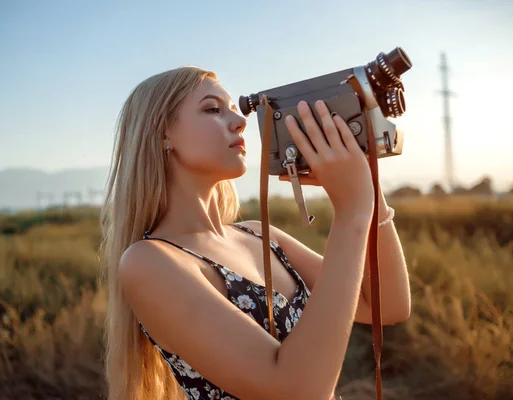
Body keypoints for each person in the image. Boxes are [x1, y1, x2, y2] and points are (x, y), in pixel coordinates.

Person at [99, 66, 410, 400]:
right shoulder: (150, 262)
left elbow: (387, 305)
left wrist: (369, 191)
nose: (240, 121)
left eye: (234, 107)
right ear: (163, 134)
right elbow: (295, 390)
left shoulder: (261, 237)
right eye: (212, 109)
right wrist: (351, 213)